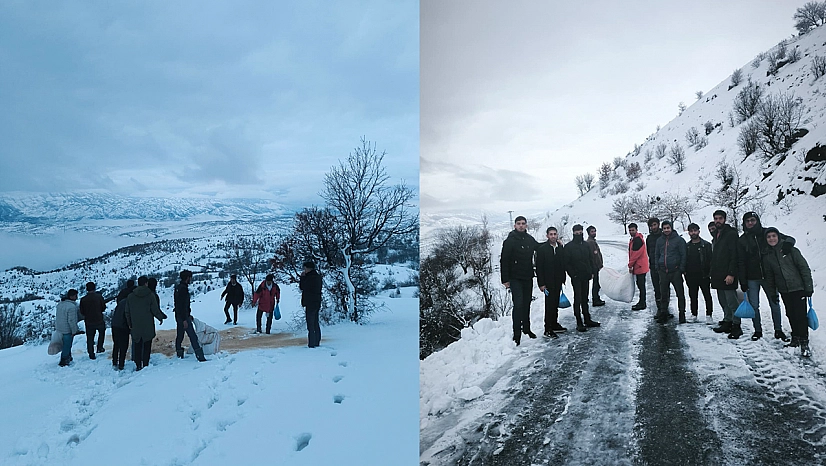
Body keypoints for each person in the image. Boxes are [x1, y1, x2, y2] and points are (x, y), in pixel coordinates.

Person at [737, 211, 792, 341]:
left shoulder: (767, 233)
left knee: (774, 303)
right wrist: (742, 280)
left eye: (752, 220)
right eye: (747, 221)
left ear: (757, 221)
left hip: (769, 277)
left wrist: (788, 245)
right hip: (752, 278)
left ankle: (778, 330)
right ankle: (757, 330)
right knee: (754, 306)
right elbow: (741, 261)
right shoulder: (742, 240)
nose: (750, 223)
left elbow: (789, 238)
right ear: (744, 223)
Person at [763, 228, 814, 357]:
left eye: (774, 236)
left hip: (798, 288)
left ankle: (804, 342)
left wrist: (808, 286)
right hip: (784, 290)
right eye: (768, 237)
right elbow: (770, 276)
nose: (771, 239)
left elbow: (804, 268)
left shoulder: (790, 250)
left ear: (778, 237)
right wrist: (773, 292)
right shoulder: (768, 256)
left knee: (800, 316)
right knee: (790, 314)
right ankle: (795, 338)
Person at [500, 215, 539, 345]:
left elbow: (539, 247)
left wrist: (554, 243)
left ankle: (527, 329)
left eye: (523, 223)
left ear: (526, 225)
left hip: (527, 276)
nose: (521, 225)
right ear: (515, 225)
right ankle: (516, 334)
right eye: (518, 223)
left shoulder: (529, 239)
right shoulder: (510, 241)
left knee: (527, 303)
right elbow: (504, 260)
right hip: (515, 277)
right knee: (518, 304)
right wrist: (505, 279)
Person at [710, 210, 743, 339]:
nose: (718, 221)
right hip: (718, 274)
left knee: (732, 301)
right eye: (716, 218)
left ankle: (736, 325)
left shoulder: (731, 234)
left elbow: (734, 255)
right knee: (723, 300)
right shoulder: (717, 234)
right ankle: (727, 321)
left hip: (728, 274)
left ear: (724, 219)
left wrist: (731, 273)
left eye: (720, 218)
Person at [562, 224, 601, 332]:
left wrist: (592, 271)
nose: (579, 234)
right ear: (573, 233)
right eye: (576, 232)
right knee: (578, 298)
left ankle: (587, 319)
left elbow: (590, 259)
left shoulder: (586, 245)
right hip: (576, 277)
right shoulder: (569, 247)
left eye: (580, 232)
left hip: (586, 275)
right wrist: (573, 274)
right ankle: (579, 321)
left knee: (585, 298)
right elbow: (567, 263)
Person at [125, 276, 166, 370]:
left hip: (135, 324)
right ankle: (145, 364)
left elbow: (127, 312)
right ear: (146, 283)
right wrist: (160, 318)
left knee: (137, 344)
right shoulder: (150, 295)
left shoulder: (130, 296)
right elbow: (154, 310)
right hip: (148, 324)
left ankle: (138, 364)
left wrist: (129, 323)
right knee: (147, 344)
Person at [535, 226, 566, 337]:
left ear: (557, 235)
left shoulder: (559, 248)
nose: (553, 236)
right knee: (549, 306)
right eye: (551, 234)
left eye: (555, 234)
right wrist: (541, 284)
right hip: (548, 282)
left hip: (557, 281)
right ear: (547, 236)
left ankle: (554, 324)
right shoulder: (542, 249)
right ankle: (547, 328)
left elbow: (563, 262)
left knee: (555, 304)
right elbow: (539, 268)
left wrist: (563, 278)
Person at [654, 220, 687, 323]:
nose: (666, 230)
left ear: (671, 228)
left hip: (675, 271)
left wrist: (681, 268)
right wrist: (658, 266)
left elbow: (684, 255)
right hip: (663, 271)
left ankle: (682, 314)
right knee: (664, 294)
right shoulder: (659, 240)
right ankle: (663, 313)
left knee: (680, 294)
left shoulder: (679, 240)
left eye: (668, 228)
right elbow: (656, 254)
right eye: (664, 228)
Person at [684, 223, 714, 324]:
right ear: (688, 233)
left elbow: (711, 260)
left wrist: (709, 273)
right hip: (691, 275)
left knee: (707, 295)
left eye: (695, 230)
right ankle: (694, 314)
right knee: (693, 296)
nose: (693, 233)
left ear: (699, 231)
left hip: (704, 275)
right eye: (691, 231)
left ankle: (709, 315)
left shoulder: (706, 245)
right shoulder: (687, 246)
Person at [174, 270, 206, 361]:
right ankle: (200, 356)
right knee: (192, 336)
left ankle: (179, 353)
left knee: (180, 335)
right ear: (187, 278)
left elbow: (178, 304)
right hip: (183, 317)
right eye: (190, 278)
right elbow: (183, 305)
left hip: (179, 315)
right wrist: (185, 318)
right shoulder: (183, 289)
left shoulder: (178, 287)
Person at [79, 282, 106, 359]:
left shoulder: (83, 299)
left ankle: (91, 353)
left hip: (89, 321)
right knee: (101, 333)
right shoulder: (99, 297)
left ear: (87, 289)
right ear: (94, 288)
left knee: (90, 338)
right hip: (99, 319)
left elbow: (82, 312)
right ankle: (100, 347)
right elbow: (103, 307)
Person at [299, 261, 323, 347]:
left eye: (305, 268)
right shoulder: (318, 277)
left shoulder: (309, 278)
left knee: (310, 324)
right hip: (316, 302)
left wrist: (302, 278)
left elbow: (303, 287)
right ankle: (316, 341)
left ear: (308, 268)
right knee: (316, 323)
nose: (304, 270)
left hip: (310, 303)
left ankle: (312, 343)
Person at [628, 223, 650, 311]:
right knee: (640, 285)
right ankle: (641, 302)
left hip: (640, 266)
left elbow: (635, 255)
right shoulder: (635, 239)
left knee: (641, 285)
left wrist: (630, 265)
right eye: (630, 230)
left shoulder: (637, 240)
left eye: (633, 230)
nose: (631, 232)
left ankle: (642, 303)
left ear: (636, 230)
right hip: (639, 266)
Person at [55, 289, 80, 367]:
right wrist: (74, 331)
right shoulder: (72, 307)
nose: (76, 297)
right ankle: (64, 360)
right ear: (71, 296)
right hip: (67, 329)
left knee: (65, 344)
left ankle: (68, 357)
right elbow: (71, 320)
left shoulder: (60, 304)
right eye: (75, 295)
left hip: (59, 328)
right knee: (67, 345)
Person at [646, 217, 664, 312]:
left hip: (663, 267)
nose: (653, 227)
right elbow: (648, 251)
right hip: (653, 266)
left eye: (654, 225)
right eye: (651, 225)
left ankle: (665, 309)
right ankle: (659, 309)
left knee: (664, 289)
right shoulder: (649, 238)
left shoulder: (663, 236)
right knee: (656, 289)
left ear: (658, 224)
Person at [586, 225, 606, 306]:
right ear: (589, 233)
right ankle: (595, 299)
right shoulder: (590, 242)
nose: (594, 233)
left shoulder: (593, 241)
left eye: (594, 231)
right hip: (595, 267)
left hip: (597, 266)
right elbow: (593, 256)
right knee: (596, 283)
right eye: (592, 231)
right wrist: (597, 266)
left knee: (597, 283)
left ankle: (596, 298)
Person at [110, 294, 130, 370]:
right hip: (123, 326)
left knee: (116, 344)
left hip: (115, 325)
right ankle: (121, 364)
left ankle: (114, 361)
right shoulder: (130, 303)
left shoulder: (121, 302)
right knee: (124, 346)